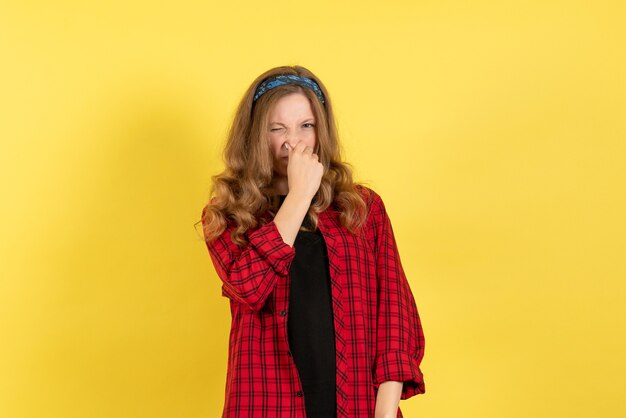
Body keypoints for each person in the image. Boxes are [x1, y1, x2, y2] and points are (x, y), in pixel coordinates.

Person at [200, 65, 425, 418]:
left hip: (360, 407)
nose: (294, 142)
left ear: (322, 131)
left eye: (306, 126)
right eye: (278, 129)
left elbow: (395, 316)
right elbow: (248, 287)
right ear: (257, 134)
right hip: (266, 405)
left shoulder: (364, 208)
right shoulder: (228, 214)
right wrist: (298, 197)